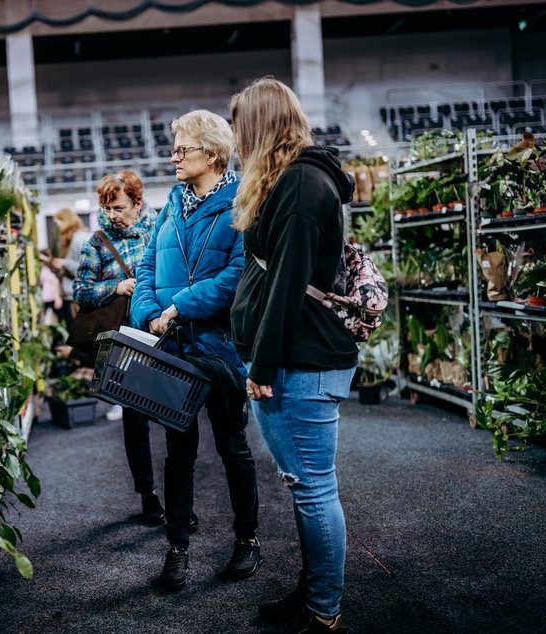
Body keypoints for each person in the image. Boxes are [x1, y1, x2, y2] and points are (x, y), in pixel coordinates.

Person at [229, 78, 358, 633]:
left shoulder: (304, 184)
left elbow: (287, 283)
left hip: (300, 362)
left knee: (313, 488)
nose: (236, 139)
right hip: (293, 358)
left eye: (240, 127)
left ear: (259, 126)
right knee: (303, 484)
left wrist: (261, 365)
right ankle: (313, 595)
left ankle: (324, 611)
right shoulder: (288, 181)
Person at [130, 109, 260, 591]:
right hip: (172, 348)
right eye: (175, 149)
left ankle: (247, 540)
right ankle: (177, 548)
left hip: (218, 347)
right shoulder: (171, 204)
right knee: (178, 453)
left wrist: (180, 307)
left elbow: (238, 274)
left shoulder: (241, 202)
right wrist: (147, 313)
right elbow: (147, 264)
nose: (175, 156)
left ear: (213, 153)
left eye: (183, 149)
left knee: (232, 446)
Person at [73, 171, 163, 524]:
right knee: (135, 419)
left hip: (162, 332)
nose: (112, 215)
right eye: (107, 208)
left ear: (138, 203)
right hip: (124, 342)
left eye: (120, 208)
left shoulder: (159, 231)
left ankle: (181, 499)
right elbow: (80, 292)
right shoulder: (95, 243)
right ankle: (148, 495)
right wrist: (116, 286)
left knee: (178, 419)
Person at [49, 208, 91, 332]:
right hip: (71, 296)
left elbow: (86, 269)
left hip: (77, 298)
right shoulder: (72, 239)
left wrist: (64, 263)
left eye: (58, 223)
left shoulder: (80, 239)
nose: (57, 228)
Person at [38, 248, 66, 324]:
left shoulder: (50, 267)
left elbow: (55, 282)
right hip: (46, 297)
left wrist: (57, 297)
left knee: (60, 319)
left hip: (52, 297)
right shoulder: (44, 268)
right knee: (48, 319)